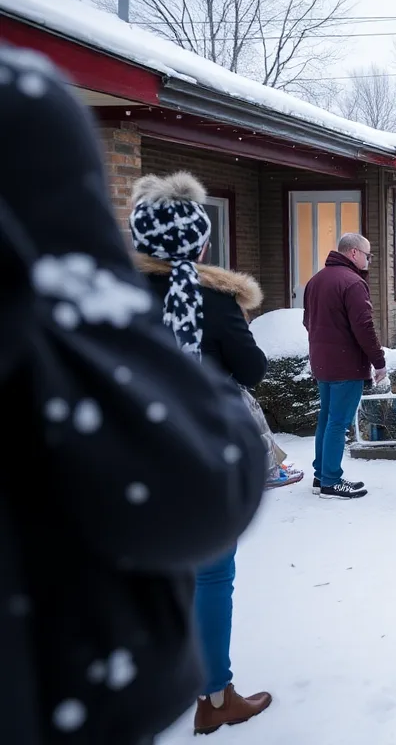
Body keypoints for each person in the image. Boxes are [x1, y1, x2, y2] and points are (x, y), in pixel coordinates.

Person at [0, 49, 265, 744]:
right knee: (210, 574)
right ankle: (215, 689)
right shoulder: (103, 321)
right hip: (75, 682)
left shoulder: (98, 302)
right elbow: (243, 393)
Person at [129, 172, 274, 735]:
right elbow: (253, 370)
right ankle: (215, 695)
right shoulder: (214, 301)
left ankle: (147, 687)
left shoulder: (108, 292)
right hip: (202, 457)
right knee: (212, 577)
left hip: (130, 461)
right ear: (200, 243)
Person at [302, 232, 385, 501]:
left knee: (326, 420)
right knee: (338, 423)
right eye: (367, 255)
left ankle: (321, 475)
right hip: (346, 365)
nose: (369, 260)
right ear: (353, 253)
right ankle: (331, 481)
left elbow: (307, 321)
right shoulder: (352, 283)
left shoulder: (315, 281)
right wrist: (378, 361)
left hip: (323, 364)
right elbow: (364, 328)